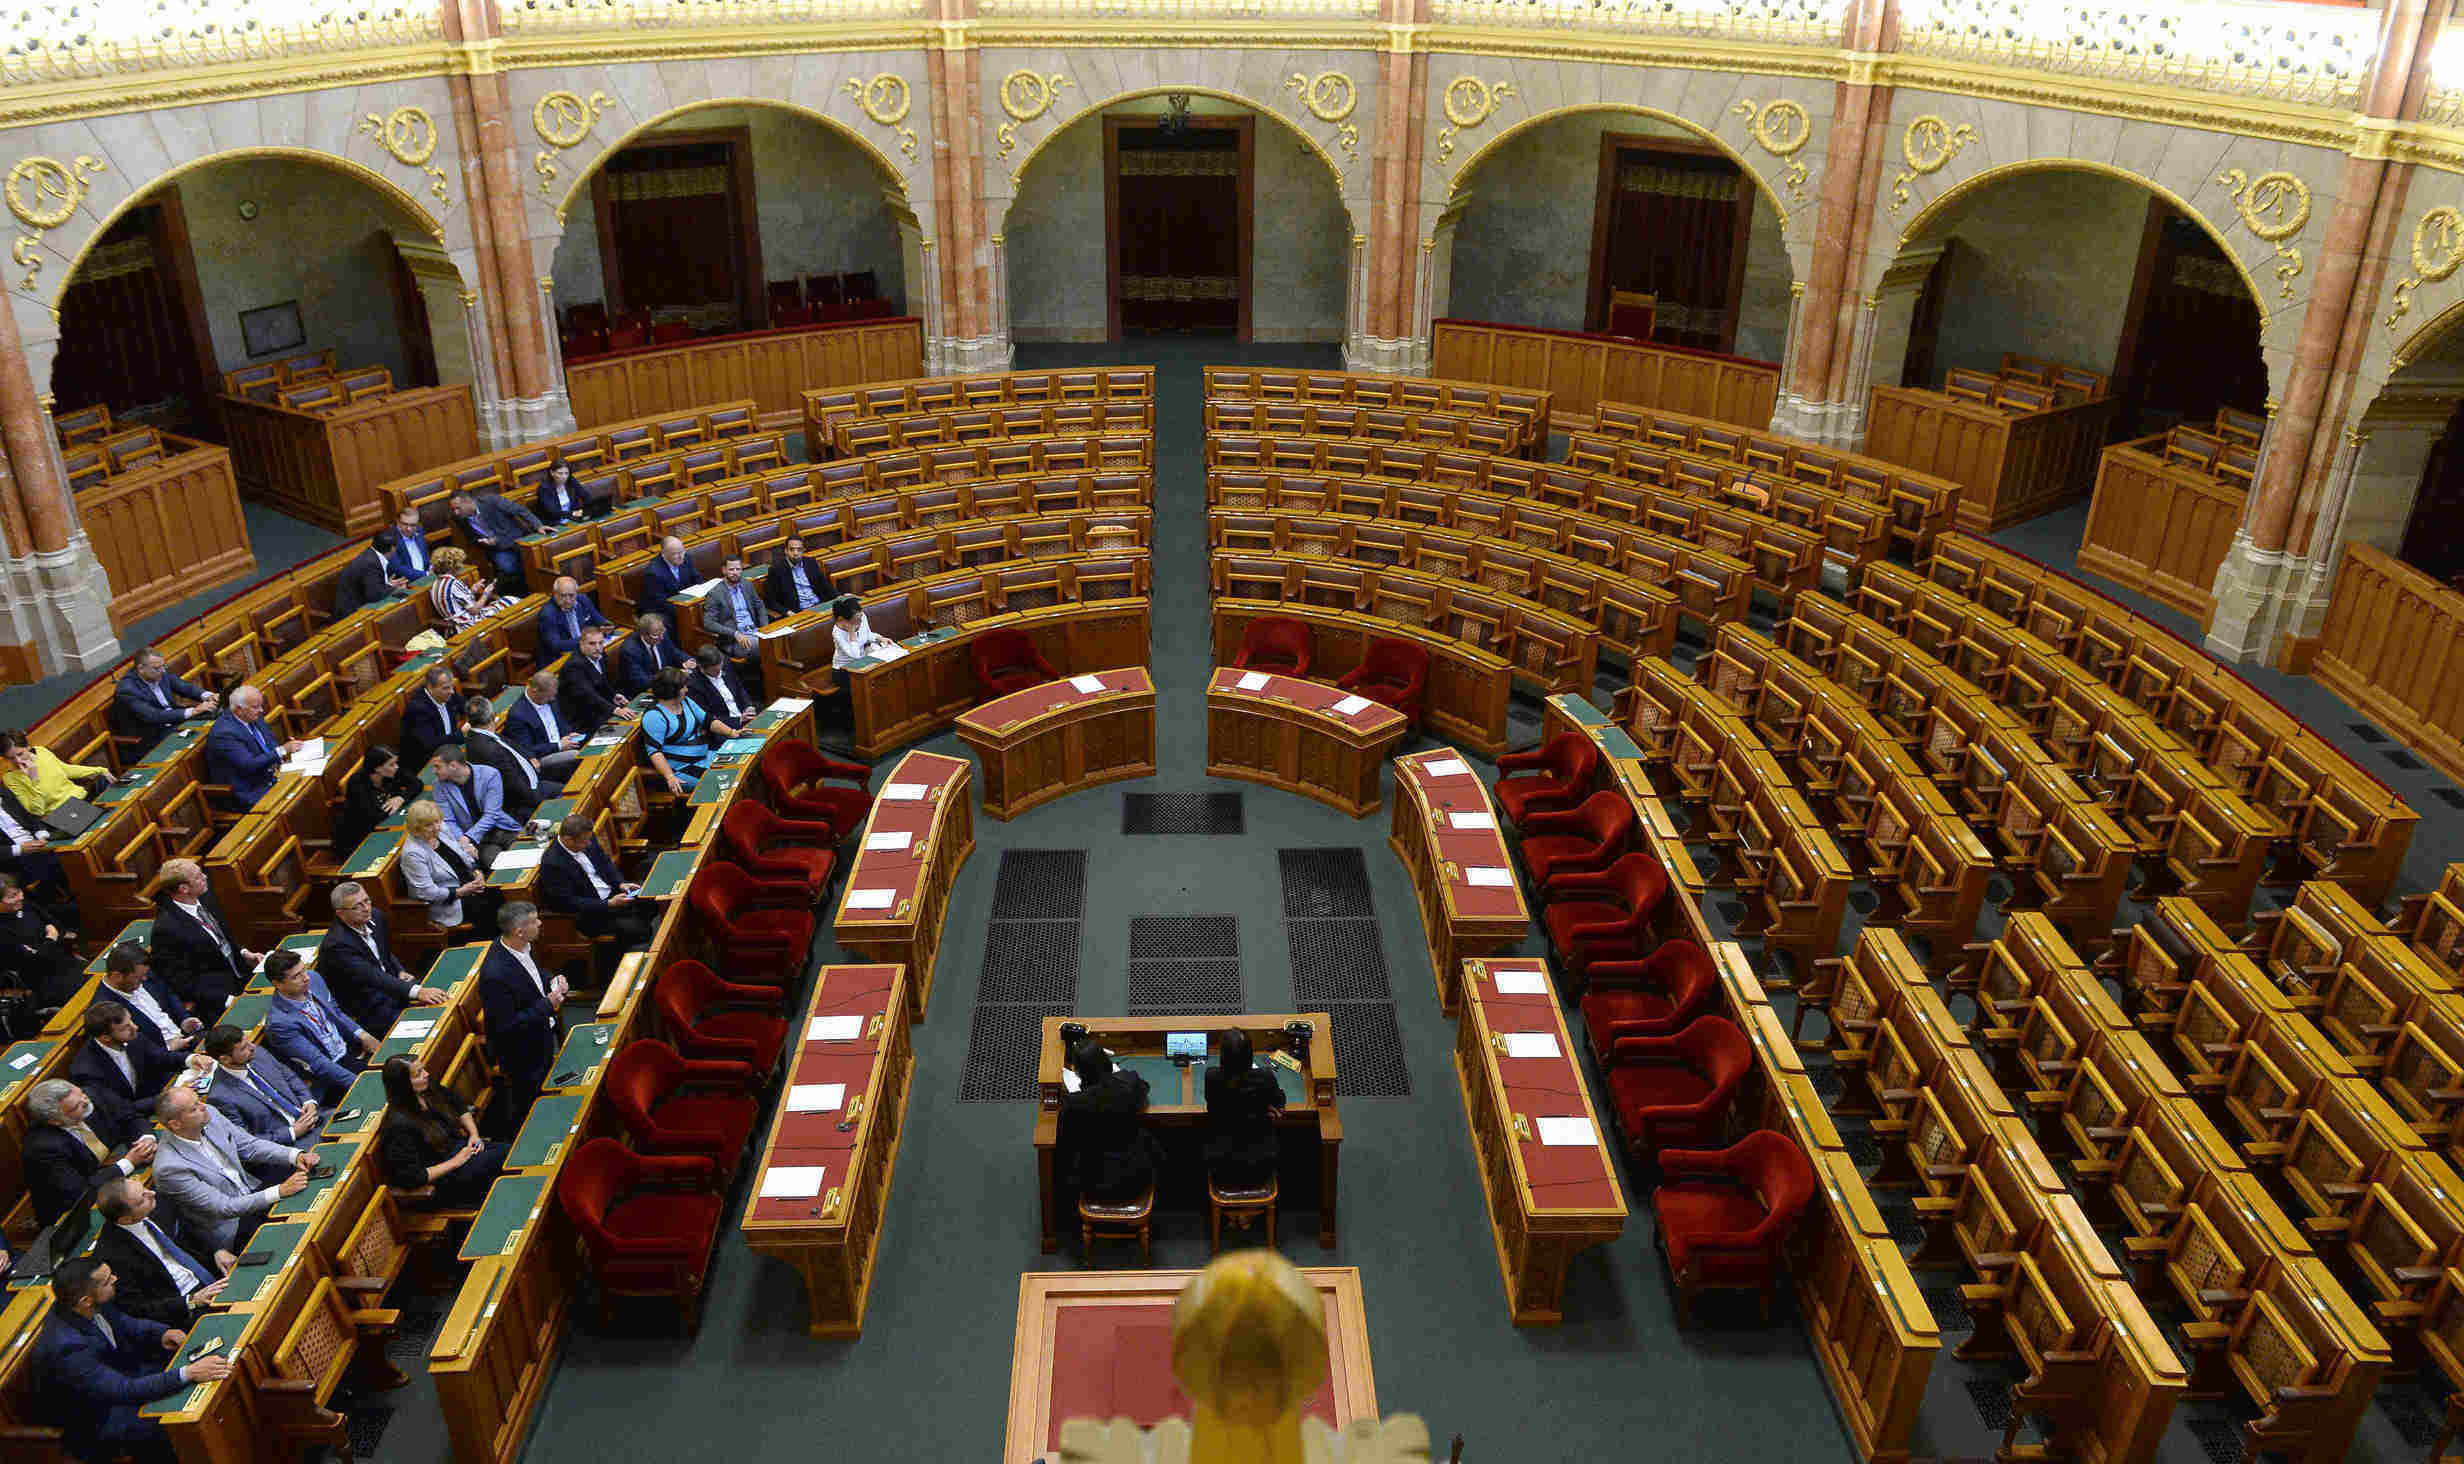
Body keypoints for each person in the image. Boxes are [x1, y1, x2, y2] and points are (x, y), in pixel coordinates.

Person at [34, 1256, 235, 1464]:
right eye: (107, 1280)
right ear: (85, 1300)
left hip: (124, 1377)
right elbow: (124, 1390)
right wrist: (188, 1372)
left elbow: (127, 1324)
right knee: (179, 1427)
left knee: (195, 1378)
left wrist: (162, 1333)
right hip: (99, 1419)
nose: (115, 1279)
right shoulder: (67, 1347)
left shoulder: (89, 1304)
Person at [148, 1084, 310, 1254]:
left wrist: (295, 1155)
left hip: (253, 1192)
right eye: (194, 1108)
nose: (204, 1107)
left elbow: (249, 1146)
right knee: (297, 1240)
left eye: (198, 1101)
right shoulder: (169, 1168)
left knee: (308, 1180)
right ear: (175, 1124)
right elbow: (224, 1207)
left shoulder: (209, 1116)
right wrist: (280, 1191)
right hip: (233, 1226)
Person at [90, 1178, 230, 1329]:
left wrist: (217, 1250)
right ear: (125, 1219)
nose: (152, 1193)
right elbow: (138, 1307)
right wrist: (191, 1301)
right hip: (185, 1306)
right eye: (142, 1199)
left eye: (145, 1189)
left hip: (213, 1275)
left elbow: (191, 1226)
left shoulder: (157, 1202)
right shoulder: (110, 1255)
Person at [377, 1055, 508, 1209]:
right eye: (419, 1073)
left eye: (423, 1069)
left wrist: (474, 1134)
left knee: (510, 1153)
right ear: (404, 1084)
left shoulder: (427, 1089)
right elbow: (413, 1177)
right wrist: (456, 1161)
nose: (426, 1074)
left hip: (462, 1149)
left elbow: (458, 1104)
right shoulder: (397, 1127)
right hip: (445, 1179)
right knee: (503, 1166)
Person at [478, 902, 564, 1134]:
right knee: (535, 1105)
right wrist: (547, 1004)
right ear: (519, 930)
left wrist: (553, 980)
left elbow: (534, 976)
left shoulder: (522, 946)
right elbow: (507, 1026)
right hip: (523, 1052)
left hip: (542, 1033)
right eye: (535, 921)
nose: (540, 923)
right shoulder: (495, 975)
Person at [24, 1079, 157, 1227]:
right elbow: (81, 1193)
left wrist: (146, 1138)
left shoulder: (92, 1094)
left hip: (112, 1176)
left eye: (81, 1094)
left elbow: (129, 1116)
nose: (85, 1101)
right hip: (77, 1216)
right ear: (56, 1121)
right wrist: (128, 1163)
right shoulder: (41, 1149)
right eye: (76, 1106)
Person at [318, 881, 446, 1034]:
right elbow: (372, 976)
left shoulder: (376, 917)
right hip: (369, 1005)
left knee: (442, 999)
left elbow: (383, 951)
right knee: (429, 1026)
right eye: (357, 906)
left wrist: (399, 970)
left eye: (367, 900)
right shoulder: (337, 946)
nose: (366, 908)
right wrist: (417, 992)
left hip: (392, 985)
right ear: (340, 913)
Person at [539, 814, 655, 974]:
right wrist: (607, 904)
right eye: (584, 841)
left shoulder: (587, 838)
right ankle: (614, 965)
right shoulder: (552, 864)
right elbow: (567, 902)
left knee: (652, 899)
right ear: (567, 840)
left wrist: (620, 883)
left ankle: (632, 919)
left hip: (613, 893)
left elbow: (605, 862)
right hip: (592, 913)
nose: (588, 844)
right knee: (641, 930)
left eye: (589, 839)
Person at [260, 951, 377, 1102]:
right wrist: (361, 1084)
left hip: (351, 1049)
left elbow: (335, 1012)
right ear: (277, 984)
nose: (306, 977)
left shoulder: (314, 979)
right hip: (330, 1075)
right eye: (296, 976)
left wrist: (362, 1034)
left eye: (304, 970)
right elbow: (319, 1064)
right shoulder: (279, 1024)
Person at [149, 857, 257, 1019]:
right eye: (199, 876)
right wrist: (226, 1000)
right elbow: (181, 981)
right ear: (184, 888)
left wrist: (243, 953)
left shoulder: (205, 898)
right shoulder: (166, 929)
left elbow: (222, 937)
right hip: (219, 998)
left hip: (243, 975)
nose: (205, 877)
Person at [1060, 1039, 1161, 1206]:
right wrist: (1118, 1077)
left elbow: (1066, 1144)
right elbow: (1143, 1088)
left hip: (1092, 1183)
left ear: (1078, 1071)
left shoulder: (1074, 1103)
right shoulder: (1128, 1083)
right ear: (1106, 1061)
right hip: (1136, 1177)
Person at [67, 1002, 188, 1139]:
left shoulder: (132, 1037)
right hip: (128, 1126)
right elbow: (120, 1109)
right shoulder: (86, 1071)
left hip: (153, 1106)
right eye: (125, 1027)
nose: (135, 1027)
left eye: (131, 1021)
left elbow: (161, 1057)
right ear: (105, 1038)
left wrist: (190, 1059)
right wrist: (168, 1097)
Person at [197, 1025, 322, 1147]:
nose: (252, 1047)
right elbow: (246, 1141)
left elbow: (290, 1078)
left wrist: (308, 1102)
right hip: (289, 1145)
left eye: (249, 1042)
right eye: (243, 1048)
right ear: (225, 1059)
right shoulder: (220, 1097)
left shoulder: (258, 1054)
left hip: (314, 1118)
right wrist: (293, 1132)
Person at [1202, 1028, 1287, 1188]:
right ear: (1250, 1055)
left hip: (1221, 1166)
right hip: (1262, 1165)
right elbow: (1279, 1100)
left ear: (1223, 1056)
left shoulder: (1212, 1076)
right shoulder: (1265, 1077)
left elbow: (1210, 1103)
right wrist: (1267, 1104)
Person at [401, 799, 499, 936]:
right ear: (416, 828)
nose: (436, 827)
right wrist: (462, 891)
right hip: (451, 902)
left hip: (470, 884)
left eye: (437, 821)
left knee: (500, 889)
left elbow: (463, 855)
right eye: (429, 825)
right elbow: (427, 892)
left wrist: (478, 873)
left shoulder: (442, 830)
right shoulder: (413, 853)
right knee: (489, 906)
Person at [97, 940, 201, 1061]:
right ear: (117, 976)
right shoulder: (105, 1008)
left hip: (186, 1037)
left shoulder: (140, 972)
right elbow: (129, 1048)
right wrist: (168, 1049)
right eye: (139, 978)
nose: (145, 979)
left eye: (145, 974)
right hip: (165, 1059)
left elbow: (167, 993)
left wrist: (184, 1018)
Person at [202, 685, 297, 811]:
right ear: (239, 710)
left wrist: (282, 757)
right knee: (295, 802)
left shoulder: (252, 715)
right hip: (249, 791)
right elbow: (249, 765)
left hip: (269, 775)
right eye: (256, 707)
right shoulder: (224, 734)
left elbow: (269, 741)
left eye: (260, 706)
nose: (261, 710)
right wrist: (281, 751)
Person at [462, 696, 554, 820]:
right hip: (524, 799)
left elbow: (512, 745)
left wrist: (529, 757)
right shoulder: (489, 750)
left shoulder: (480, 735)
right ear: (492, 716)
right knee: (565, 791)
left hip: (531, 778)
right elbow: (514, 786)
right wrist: (539, 798)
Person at [0, 872, 81, 1010]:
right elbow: (33, 960)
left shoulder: (25, 906)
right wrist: (50, 938)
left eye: (18, 891)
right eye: (12, 896)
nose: (21, 897)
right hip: (43, 979)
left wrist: (44, 944)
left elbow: (58, 927)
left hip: (64, 961)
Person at [431, 745, 519, 864]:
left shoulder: (489, 774)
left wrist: (467, 838)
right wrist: (464, 842)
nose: (434, 771)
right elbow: (448, 821)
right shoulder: (439, 786)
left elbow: (492, 814)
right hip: (479, 842)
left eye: (437, 767)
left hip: (502, 828)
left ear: (453, 766)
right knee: (499, 864)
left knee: (527, 849)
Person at [111, 647, 217, 743]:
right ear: (141, 668)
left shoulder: (159, 672)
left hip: (174, 723)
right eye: (157, 668)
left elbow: (184, 687)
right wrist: (194, 711)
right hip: (151, 736)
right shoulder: (128, 690)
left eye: (163, 666)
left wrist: (208, 695)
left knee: (217, 718)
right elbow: (153, 715)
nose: (162, 671)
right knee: (202, 739)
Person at [0, 728, 111, 817]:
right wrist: (34, 779)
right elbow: (37, 811)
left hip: (81, 797)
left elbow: (66, 770)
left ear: (28, 747)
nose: (18, 761)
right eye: (11, 758)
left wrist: (99, 770)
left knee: (112, 798)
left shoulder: (41, 751)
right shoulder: (10, 778)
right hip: (61, 814)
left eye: (20, 754)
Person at [698, 554, 769, 690]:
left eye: (738, 569)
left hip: (756, 631)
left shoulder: (746, 584)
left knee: (779, 640)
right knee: (768, 646)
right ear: (724, 570)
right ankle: (766, 685)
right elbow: (708, 623)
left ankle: (769, 683)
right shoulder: (715, 593)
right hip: (734, 640)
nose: (735, 573)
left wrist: (765, 628)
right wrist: (735, 633)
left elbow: (759, 605)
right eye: (731, 570)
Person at [505, 670, 588, 783]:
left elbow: (560, 723)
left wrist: (568, 734)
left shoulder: (549, 698)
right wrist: (558, 745)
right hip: (544, 756)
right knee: (575, 755)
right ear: (535, 691)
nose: (552, 699)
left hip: (562, 744)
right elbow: (527, 750)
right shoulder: (518, 715)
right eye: (549, 696)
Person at [639, 669, 710, 796]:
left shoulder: (685, 701)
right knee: (717, 783)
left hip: (703, 757)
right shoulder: (654, 716)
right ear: (672, 690)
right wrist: (670, 776)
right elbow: (654, 751)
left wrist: (733, 733)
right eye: (683, 687)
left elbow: (708, 720)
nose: (686, 690)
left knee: (733, 766)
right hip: (680, 769)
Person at [450, 488, 541, 586]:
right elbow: (471, 538)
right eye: (453, 509)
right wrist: (483, 542)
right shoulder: (459, 519)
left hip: (516, 539)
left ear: (468, 501)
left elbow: (520, 510)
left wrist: (538, 526)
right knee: (508, 567)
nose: (456, 512)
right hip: (496, 549)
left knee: (533, 560)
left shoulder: (491, 501)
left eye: (458, 508)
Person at [331, 744, 411, 855]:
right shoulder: (357, 784)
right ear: (377, 768)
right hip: (359, 839)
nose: (396, 767)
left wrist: (401, 798)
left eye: (395, 763)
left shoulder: (391, 771)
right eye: (391, 764)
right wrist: (396, 808)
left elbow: (416, 784)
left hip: (385, 828)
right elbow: (373, 817)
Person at [559, 625, 628, 735]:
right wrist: (615, 710)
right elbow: (589, 695)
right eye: (592, 643)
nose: (597, 647)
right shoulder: (574, 666)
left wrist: (613, 695)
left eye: (600, 643)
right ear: (581, 644)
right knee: (621, 732)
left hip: (598, 709)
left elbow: (602, 682)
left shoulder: (600, 656)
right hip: (582, 719)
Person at [685, 643, 757, 742]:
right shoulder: (693, 686)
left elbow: (739, 687)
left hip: (744, 715)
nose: (719, 672)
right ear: (702, 668)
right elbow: (706, 718)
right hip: (724, 729)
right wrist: (739, 720)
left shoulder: (725, 664)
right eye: (715, 671)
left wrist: (748, 706)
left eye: (720, 668)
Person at [332, 527, 409, 616]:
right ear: (392, 548)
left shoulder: (372, 555)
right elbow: (375, 596)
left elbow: (373, 588)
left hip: (361, 604)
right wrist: (396, 590)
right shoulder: (371, 563)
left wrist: (388, 585)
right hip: (351, 614)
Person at [400, 665, 461, 774]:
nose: (452, 691)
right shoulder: (417, 709)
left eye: (452, 686)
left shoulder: (448, 692)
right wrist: (461, 735)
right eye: (446, 688)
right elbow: (431, 744)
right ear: (430, 687)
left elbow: (464, 706)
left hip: (449, 751)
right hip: (426, 763)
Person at [426, 545, 502, 632]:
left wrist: (472, 590)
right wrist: (486, 594)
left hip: (456, 625)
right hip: (468, 625)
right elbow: (474, 610)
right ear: (453, 566)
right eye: (460, 563)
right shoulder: (453, 583)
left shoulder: (436, 583)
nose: (462, 566)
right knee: (510, 601)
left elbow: (456, 602)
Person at [534, 575, 611, 661]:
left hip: (584, 649)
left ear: (576, 593)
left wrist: (606, 626)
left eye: (571, 595)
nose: (567, 600)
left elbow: (599, 619)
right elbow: (556, 645)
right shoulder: (547, 614)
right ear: (555, 594)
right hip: (559, 657)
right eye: (563, 596)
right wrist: (586, 640)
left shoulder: (582, 600)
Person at [617, 610, 688, 696]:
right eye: (656, 635)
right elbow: (640, 681)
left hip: (667, 684)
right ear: (643, 634)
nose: (661, 637)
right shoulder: (629, 651)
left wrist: (687, 660)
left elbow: (673, 651)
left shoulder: (661, 634)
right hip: (645, 690)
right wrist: (670, 676)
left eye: (663, 632)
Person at [764, 536, 835, 618]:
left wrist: (839, 596)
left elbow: (825, 585)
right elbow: (770, 600)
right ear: (786, 551)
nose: (795, 553)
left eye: (799, 549)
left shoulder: (811, 562)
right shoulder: (776, 570)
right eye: (792, 549)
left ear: (803, 550)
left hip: (820, 606)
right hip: (799, 612)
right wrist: (787, 612)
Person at [639, 535, 697, 626]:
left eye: (682, 551)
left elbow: (697, 578)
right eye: (676, 554)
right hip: (662, 610)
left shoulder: (686, 558)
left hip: (685, 602)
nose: (681, 556)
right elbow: (660, 601)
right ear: (664, 553)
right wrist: (684, 610)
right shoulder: (653, 572)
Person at [831, 594, 897, 668]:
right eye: (857, 620)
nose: (861, 621)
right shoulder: (837, 633)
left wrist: (880, 638)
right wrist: (851, 633)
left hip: (863, 660)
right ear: (844, 620)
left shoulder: (861, 616)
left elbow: (867, 634)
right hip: (845, 667)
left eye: (861, 616)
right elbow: (855, 655)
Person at [388, 505, 435, 582]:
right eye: (405, 524)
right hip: (407, 582)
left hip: (427, 576)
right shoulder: (391, 538)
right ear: (398, 522)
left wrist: (431, 567)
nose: (408, 529)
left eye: (413, 525)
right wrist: (426, 574)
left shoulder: (419, 531)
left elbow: (425, 556)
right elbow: (398, 568)